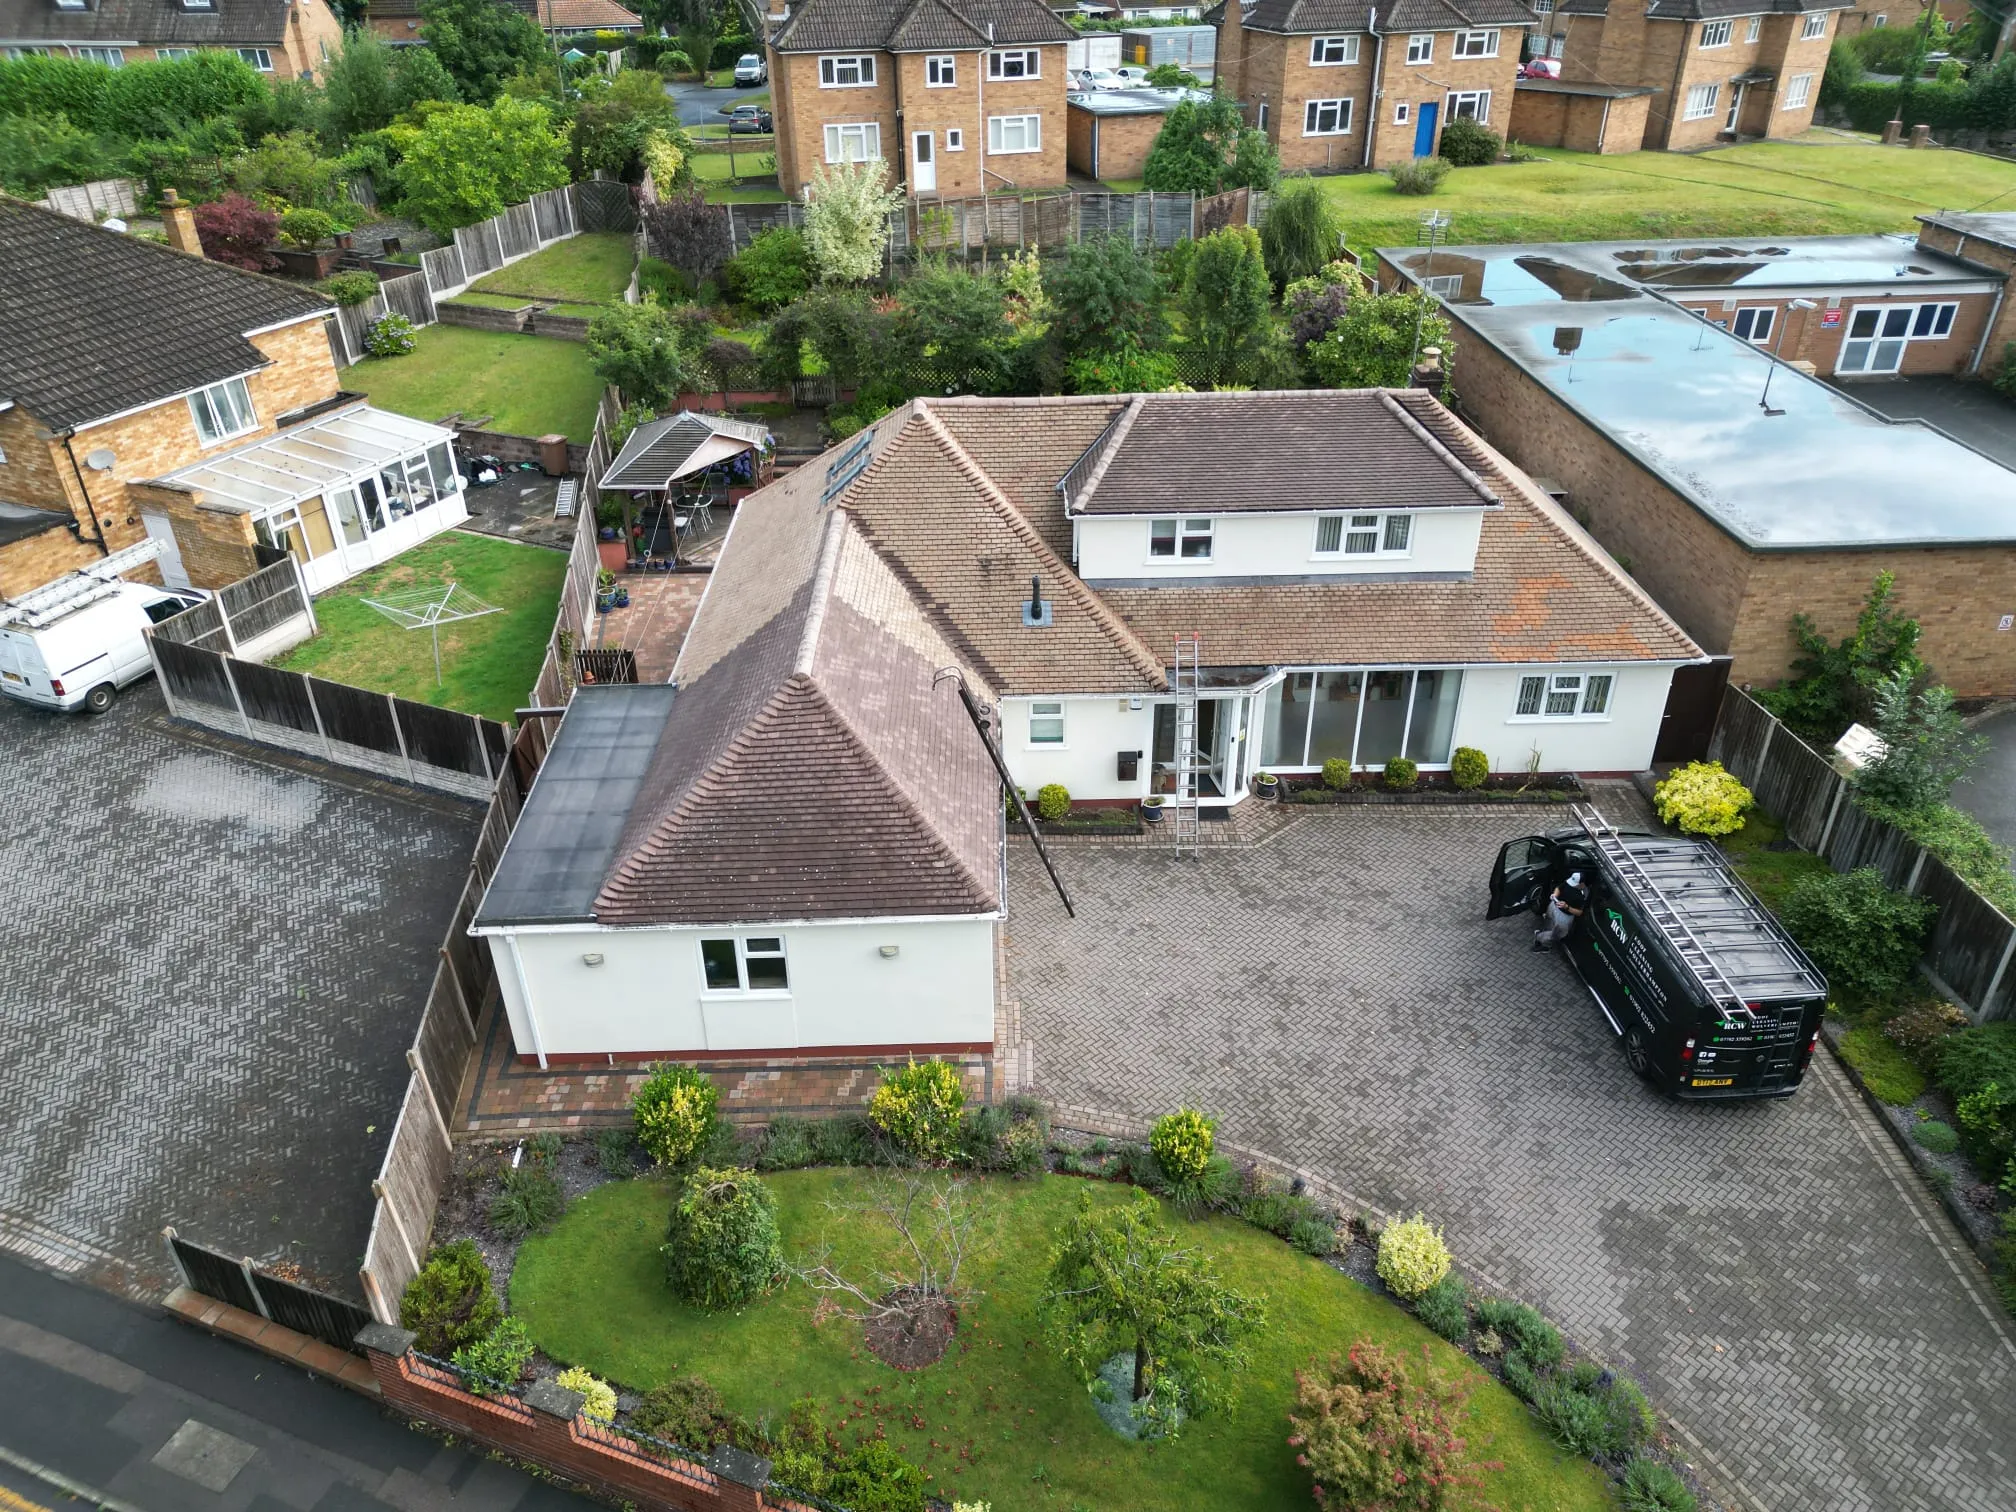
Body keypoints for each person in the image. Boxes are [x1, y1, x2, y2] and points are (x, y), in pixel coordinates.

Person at [1534, 870, 1589, 952]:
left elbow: (1579, 912)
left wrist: (1567, 907)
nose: (1571, 884)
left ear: (1581, 884)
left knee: (1556, 934)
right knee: (1548, 921)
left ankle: (1545, 944)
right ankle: (1543, 934)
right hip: (1554, 906)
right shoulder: (1570, 881)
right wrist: (1555, 895)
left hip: (1565, 916)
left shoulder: (1584, 894)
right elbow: (1559, 888)